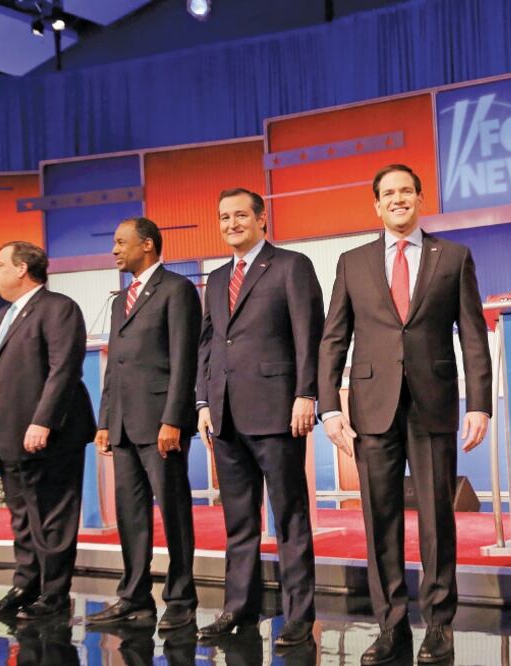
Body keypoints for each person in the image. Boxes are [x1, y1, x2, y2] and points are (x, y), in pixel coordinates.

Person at [318, 164, 492, 664]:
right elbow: (334, 338)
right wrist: (329, 406)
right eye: (388, 193)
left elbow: (473, 336)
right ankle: (390, 626)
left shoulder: (454, 257)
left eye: (405, 191)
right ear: (376, 205)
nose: (397, 199)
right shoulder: (352, 262)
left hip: (433, 403)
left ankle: (440, 626)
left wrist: (478, 402)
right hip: (372, 408)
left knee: (438, 518)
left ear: (420, 197)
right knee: (380, 519)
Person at [196, 188, 323, 650]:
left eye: (239, 215)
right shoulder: (214, 279)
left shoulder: (291, 265)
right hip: (225, 415)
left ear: (261, 218)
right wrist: (203, 403)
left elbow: (310, 335)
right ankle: (238, 607)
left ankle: (298, 614)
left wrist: (307, 393)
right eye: (223, 216)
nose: (231, 223)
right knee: (238, 521)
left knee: (289, 517)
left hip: (277, 411)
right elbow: (207, 345)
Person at [0, 241, 96, 620]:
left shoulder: (59, 309)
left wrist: (43, 420)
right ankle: (25, 586)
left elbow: (64, 369)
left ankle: (54, 595)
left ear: (22, 268)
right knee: (21, 516)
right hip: (5, 435)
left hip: (48, 435)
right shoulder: (1, 318)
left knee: (52, 516)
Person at [86, 217, 200, 631]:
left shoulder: (177, 290)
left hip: (160, 425)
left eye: (121, 242)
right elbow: (114, 365)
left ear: (147, 245)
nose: (115, 250)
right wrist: (104, 420)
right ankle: (133, 597)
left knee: (173, 512)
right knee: (131, 515)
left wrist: (173, 419)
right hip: (122, 427)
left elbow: (184, 360)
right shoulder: (120, 301)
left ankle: (181, 599)